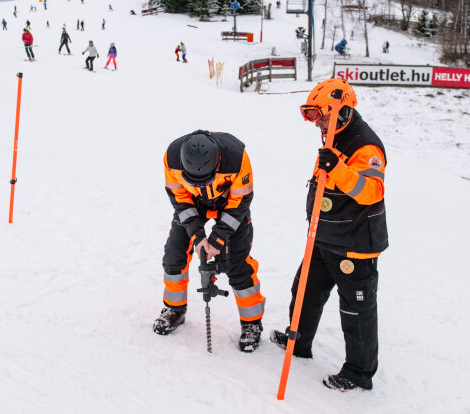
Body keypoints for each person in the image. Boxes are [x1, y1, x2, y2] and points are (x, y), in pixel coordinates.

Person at [271, 78, 388, 392]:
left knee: (355, 309)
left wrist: (336, 168)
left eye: (320, 116)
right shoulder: (332, 135)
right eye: (313, 116)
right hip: (325, 236)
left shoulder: (366, 145)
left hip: (355, 243)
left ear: (343, 111)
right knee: (305, 290)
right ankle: (298, 340)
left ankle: (359, 373)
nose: (317, 123)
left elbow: (371, 191)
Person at [155, 130, 265, 352]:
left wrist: (217, 239)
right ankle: (174, 309)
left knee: (238, 263)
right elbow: (180, 199)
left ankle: (251, 323)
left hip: (230, 204)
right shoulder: (172, 158)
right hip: (193, 203)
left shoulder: (237, 158)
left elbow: (241, 199)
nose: (199, 184)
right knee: (174, 254)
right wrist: (198, 237)